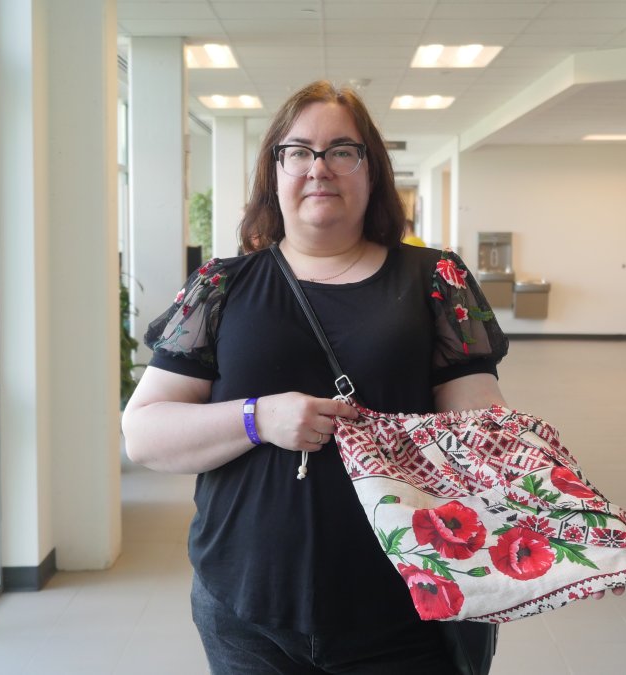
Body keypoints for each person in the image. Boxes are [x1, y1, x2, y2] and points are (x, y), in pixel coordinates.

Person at [122, 80, 510, 674]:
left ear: (371, 171)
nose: (318, 167)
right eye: (298, 151)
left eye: (341, 151)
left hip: (404, 605)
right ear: (274, 173)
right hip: (247, 608)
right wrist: (258, 418)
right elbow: (143, 434)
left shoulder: (434, 279)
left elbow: (479, 433)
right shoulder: (221, 287)